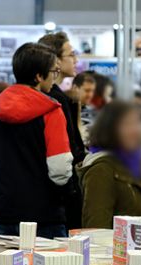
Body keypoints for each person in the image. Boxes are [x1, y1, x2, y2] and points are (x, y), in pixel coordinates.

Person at [0, 42, 73, 239]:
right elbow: (60, 170)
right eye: (54, 71)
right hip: (45, 217)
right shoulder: (51, 111)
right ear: (38, 76)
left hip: (4, 214)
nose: (55, 78)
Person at [39, 32, 88, 231]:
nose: (76, 60)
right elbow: (69, 149)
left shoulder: (58, 96)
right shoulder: (53, 100)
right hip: (58, 194)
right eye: (71, 54)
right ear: (56, 61)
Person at [78, 100, 141, 229]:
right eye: (127, 124)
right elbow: (97, 230)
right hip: (117, 248)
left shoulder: (134, 163)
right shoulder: (101, 170)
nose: (135, 130)